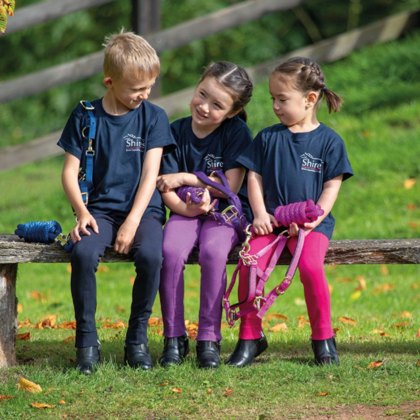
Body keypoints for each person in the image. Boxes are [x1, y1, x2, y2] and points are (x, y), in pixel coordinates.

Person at [57, 31, 175, 374]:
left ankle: (136, 339)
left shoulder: (154, 117)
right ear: (110, 81)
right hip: (100, 211)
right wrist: (81, 213)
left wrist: (133, 223)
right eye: (137, 88)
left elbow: (151, 174)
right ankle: (87, 341)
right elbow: (69, 172)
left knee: (153, 255)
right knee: (82, 252)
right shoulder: (86, 115)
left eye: (150, 86)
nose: (145, 94)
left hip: (143, 211)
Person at [226, 56, 353, 367]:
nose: (275, 106)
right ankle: (250, 336)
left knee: (311, 268)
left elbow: (331, 188)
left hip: (312, 226)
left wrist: (313, 221)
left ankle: (323, 338)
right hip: (270, 224)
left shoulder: (330, 142)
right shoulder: (268, 138)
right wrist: (259, 214)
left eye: (282, 99)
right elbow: (253, 176)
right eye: (273, 99)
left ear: (310, 99)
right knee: (249, 264)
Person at [156, 61, 254, 369]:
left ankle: (209, 338)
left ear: (232, 112)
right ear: (197, 86)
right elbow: (164, 187)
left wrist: (186, 178)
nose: (205, 107)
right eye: (202, 94)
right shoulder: (175, 132)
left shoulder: (237, 132)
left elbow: (230, 186)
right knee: (170, 252)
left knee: (213, 252)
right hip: (185, 211)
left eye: (217, 105)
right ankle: (174, 337)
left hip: (224, 214)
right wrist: (188, 208)